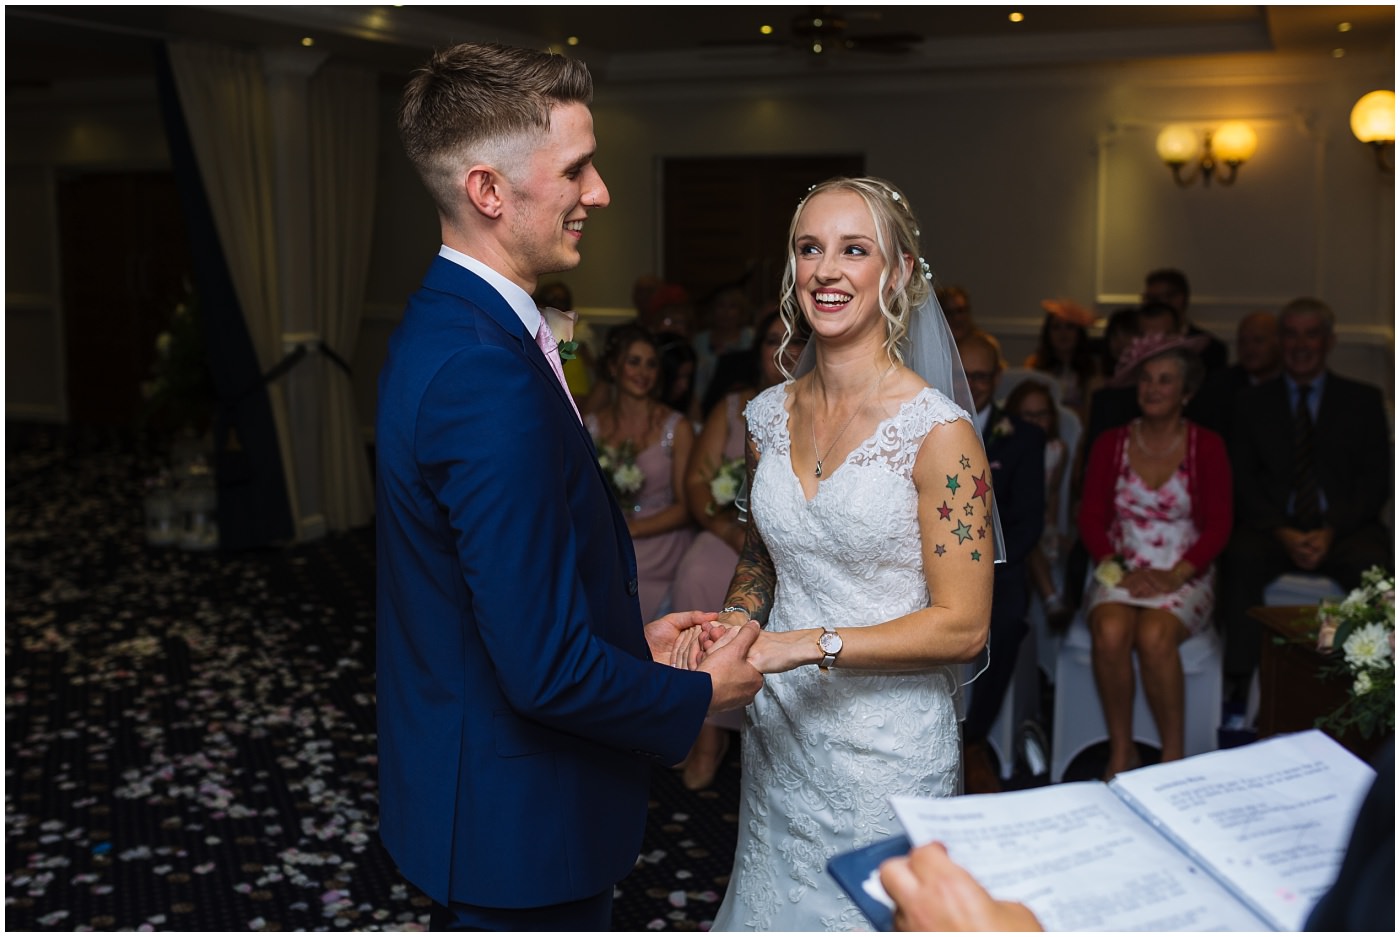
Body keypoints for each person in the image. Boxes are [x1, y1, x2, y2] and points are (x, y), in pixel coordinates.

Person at [375, 42, 762, 931]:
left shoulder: (446, 322)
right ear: (488, 191)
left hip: (480, 786)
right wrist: (701, 697)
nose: (601, 193)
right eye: (579, 169)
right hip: (518, 819)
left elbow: (497, 590)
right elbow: (542, 668)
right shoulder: (483, 374)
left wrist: (627, 639)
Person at [694, 177, 998, 931]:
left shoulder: (942, 435)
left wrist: (803, 645)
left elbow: (964, 628)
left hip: (885, 750)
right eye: (810, 248)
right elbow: (765, 557)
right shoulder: (765, 414)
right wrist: (735, 625)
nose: (826, 269)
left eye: (853, 250)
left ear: (895, 274)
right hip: (782, 732)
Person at [1221, 297, 1392, 700]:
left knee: (1375, 566)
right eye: (1292, 334)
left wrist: (1330, 531)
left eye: (1311, 335)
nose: (1301, 345)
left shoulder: (1363, 400)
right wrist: (1282, 532)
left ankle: (1366, 688)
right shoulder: (1249, 404)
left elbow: (1374, 482)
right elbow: (1241, 480)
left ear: (1329, 341)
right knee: (1237, 557)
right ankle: (1242, 687)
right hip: (1272, 529)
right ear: (1281, 342)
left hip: (1343, 528)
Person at [1077, 333, 1232, 778]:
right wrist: (1120, 571)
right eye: (1146, 379)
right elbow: (1089, 518)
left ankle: (1172, 759)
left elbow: (1220, 525)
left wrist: (1173, 576)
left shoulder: (1208, 445)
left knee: (1155, 637)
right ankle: (1122, 752)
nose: (1153, 388)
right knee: (1109, 630)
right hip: (1118, 563)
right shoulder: (1112, 442)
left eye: (1166, 381)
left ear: (1187, 392)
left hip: (1186, 568)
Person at [670, 312, 807, 791]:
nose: (785, 349)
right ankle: (703, 722)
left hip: (791, 550)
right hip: (729, 531)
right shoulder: (741, 410)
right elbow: (695, 483)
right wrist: (727, 529)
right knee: (696, 571)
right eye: (774, 339)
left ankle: (717, 727)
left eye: (794, 340)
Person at [956, 332, 1046, 794]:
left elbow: (1029, 522)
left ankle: (973, 742)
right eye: (964, 375)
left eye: (982, 376)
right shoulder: (930, 428)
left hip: (999, 568)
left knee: (1007, 622)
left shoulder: (1025, 438)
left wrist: (982, 566)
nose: (973, 386)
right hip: (935, 566)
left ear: (998, 377)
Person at [586, 324, 696, 621]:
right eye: (633, 361)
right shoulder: (591, 426)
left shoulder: (677, 427)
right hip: (609, 537)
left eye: (651, 364)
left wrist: (631, 529)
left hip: (662, 544)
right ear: (613, 367)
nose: (643, 372)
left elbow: (686, 509)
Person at [1004, 379, 1072, 632]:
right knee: (1028, 540)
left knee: (1042, 538)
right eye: (1027, 415)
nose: (1035, 422)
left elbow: (1053, 493)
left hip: (1041, 522)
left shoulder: (1056, 450)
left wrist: (1052, 528)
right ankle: (1051, 600)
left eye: (1042, 415)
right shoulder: (1007, 446)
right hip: (1016, 524)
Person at [1024, 297, 1101, 422]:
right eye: (1056, 327)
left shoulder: (1093, 367)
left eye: (1069, 327)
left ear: (1079, 333)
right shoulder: (1034, 365)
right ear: (1047, 333)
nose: (1063, 333)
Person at [1142, 267, 1228, 372]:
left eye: (1164, 298)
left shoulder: (1211, 348)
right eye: (1151, 299)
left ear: (1181, 298)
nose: (1156, 305)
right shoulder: (1133, 344)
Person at [692, 285, 755, 411]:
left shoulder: (751, 337)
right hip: (705, 405)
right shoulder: (699, 340)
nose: (726, 312)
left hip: (745, 406)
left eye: (732, 306)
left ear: (741, 311)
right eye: (721, 306)